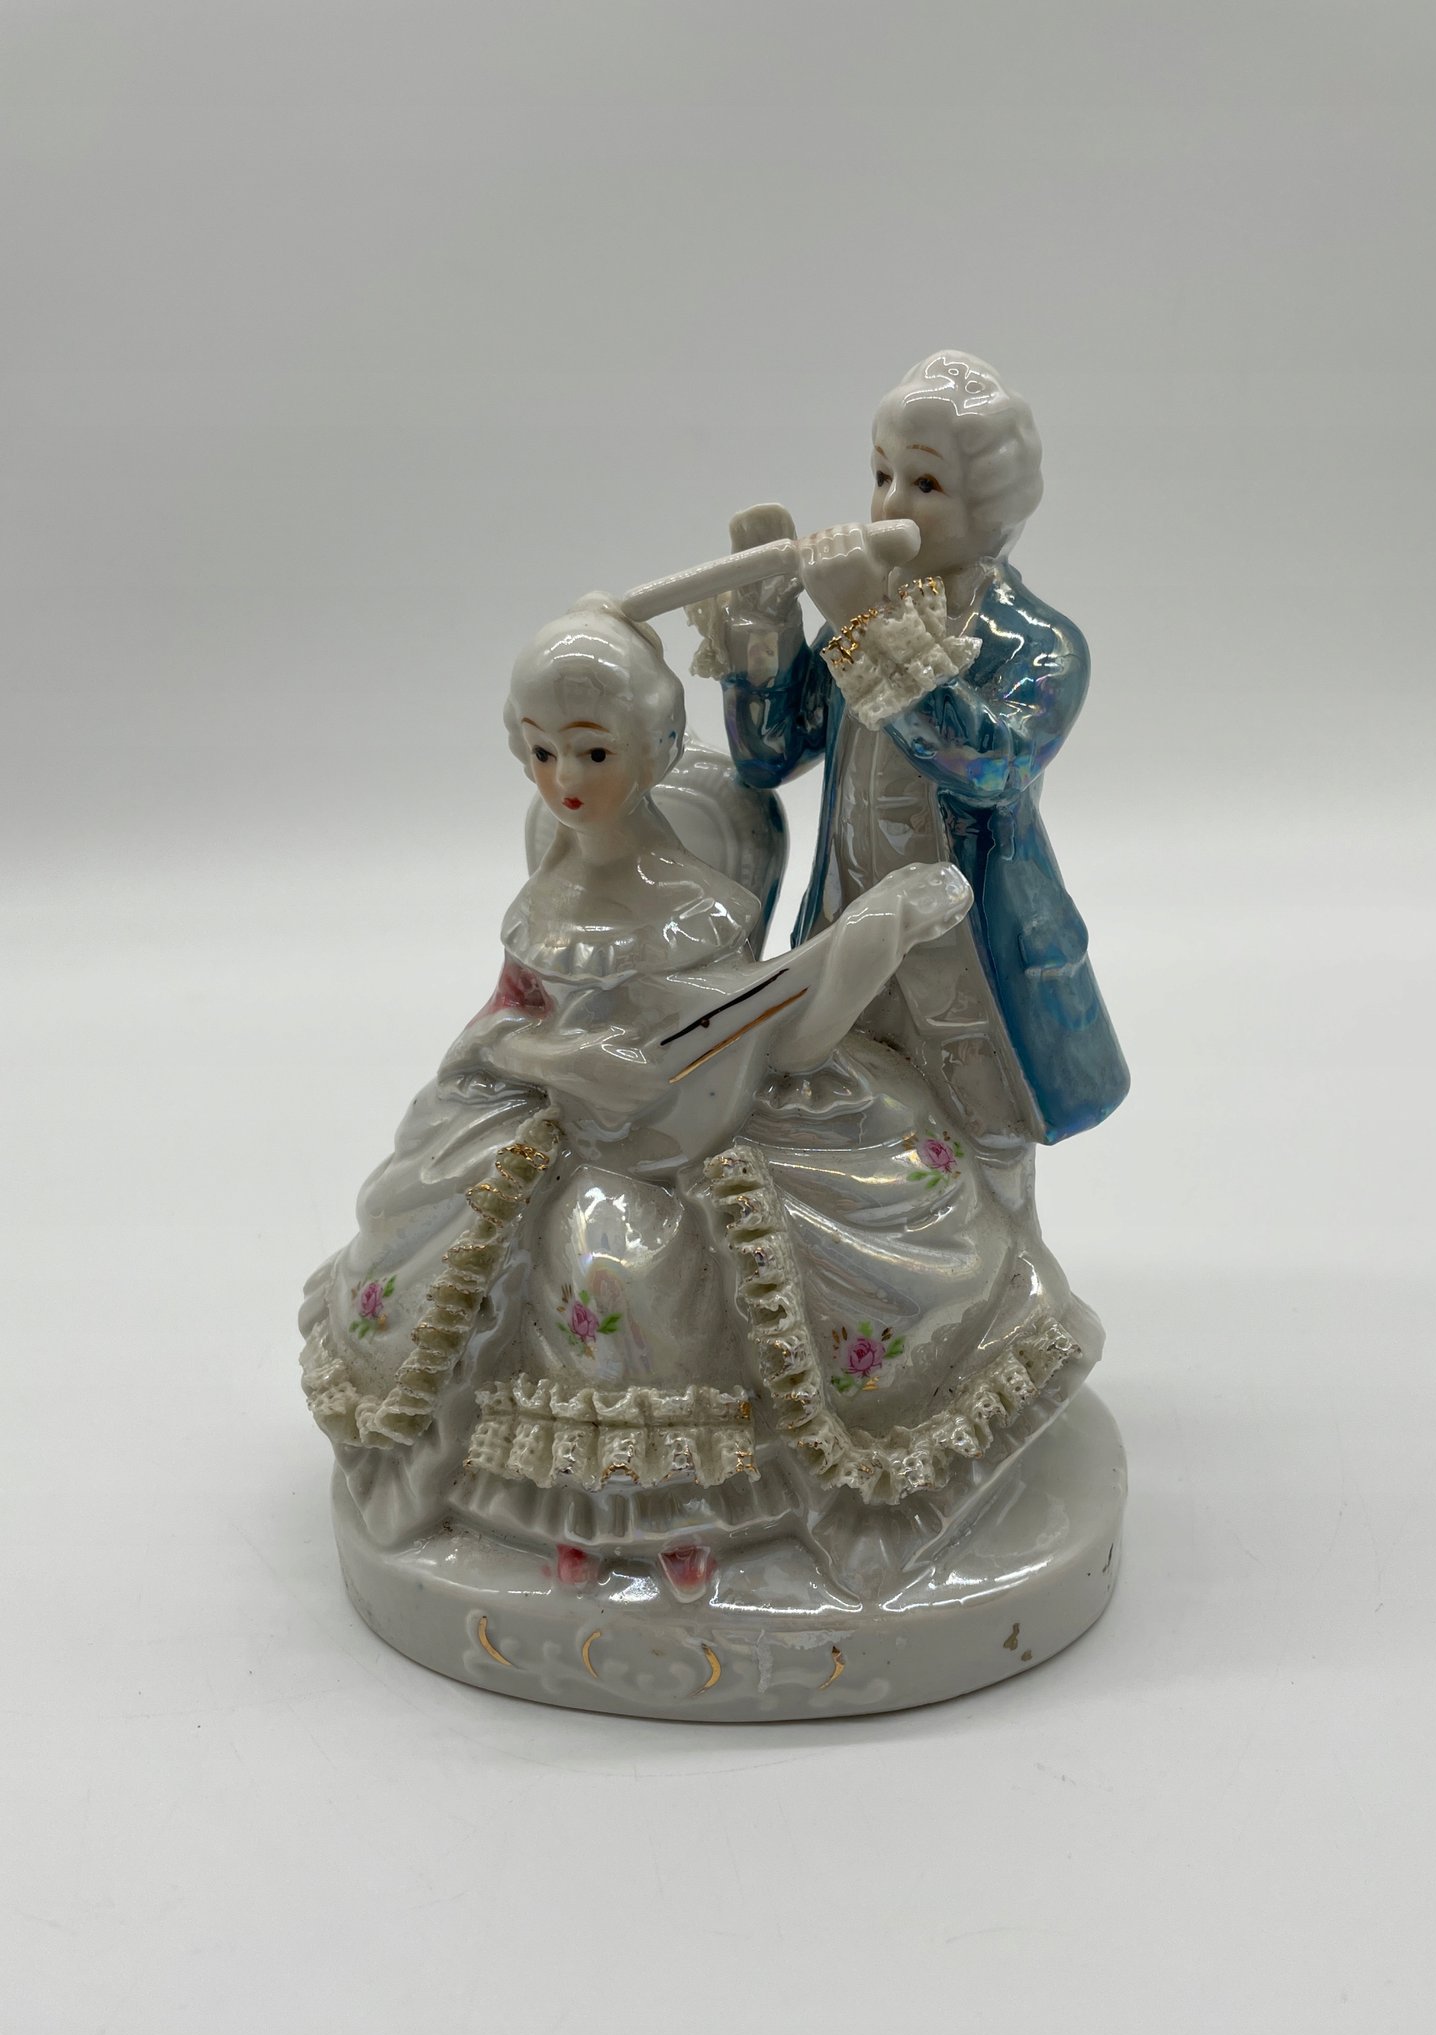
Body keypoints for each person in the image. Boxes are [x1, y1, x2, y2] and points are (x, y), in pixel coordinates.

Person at [299, 602, 1102, 1587]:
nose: (564, 778)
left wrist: (868, 941)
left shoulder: (697, 904)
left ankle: (689, 1514)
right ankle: (572, 1512)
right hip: (571, 1127)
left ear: (655, 749)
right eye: (542, 752)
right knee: (554, 1249)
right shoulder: (544, 900)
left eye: (593, 752)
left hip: (699, 1133)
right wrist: (564, 1061)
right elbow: (494, 1028)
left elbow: (779, 1034)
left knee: (664, 1269)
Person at [691, 350, 1129, 1155]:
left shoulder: (1042, 645)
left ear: (992, 504)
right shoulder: (866, 618)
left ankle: (997, 1234)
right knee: (835, 1125)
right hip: (847, 938)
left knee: (985, 1137)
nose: (891, 502)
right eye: (882, 474)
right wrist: (765, 622)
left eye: (924, 483)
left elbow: (988, 768)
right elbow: (771, 755)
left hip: (970, 958)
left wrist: (868, 624)